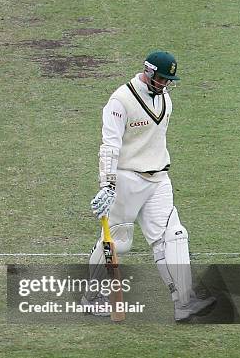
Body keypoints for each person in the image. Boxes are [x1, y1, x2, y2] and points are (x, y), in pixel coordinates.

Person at [87, 51, 215, 322]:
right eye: (161, 78)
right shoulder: (119, 101)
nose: (165, 84)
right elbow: (110, 145)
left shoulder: (166, 100)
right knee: (118, 244)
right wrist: (107, 185)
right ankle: (91, 297)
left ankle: (184, 301)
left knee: (174, 236)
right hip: (126, 180)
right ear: (148, 71)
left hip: (158, 180)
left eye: (169, 80)